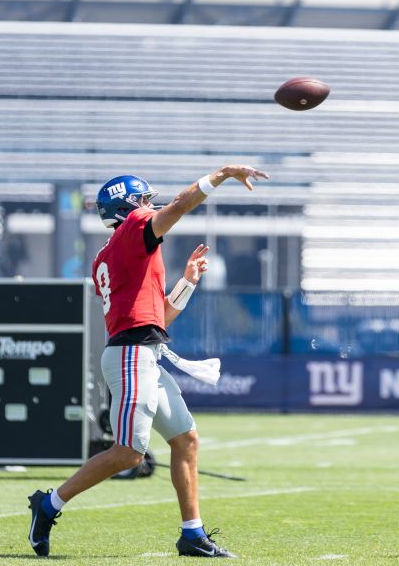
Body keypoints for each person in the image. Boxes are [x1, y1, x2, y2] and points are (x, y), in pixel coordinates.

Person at [27, 165, 269, 559]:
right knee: (129, 452)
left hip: (143, 352)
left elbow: (158, 318)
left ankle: (192, 534)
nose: (147, 205)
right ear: (127, 206)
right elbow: (178, 205)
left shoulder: (119, 253)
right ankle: (48, 504)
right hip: (130, 356)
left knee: (185, 439)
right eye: (141, 200)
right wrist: (221, 175)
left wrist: (187, 281)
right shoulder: (132, 231)